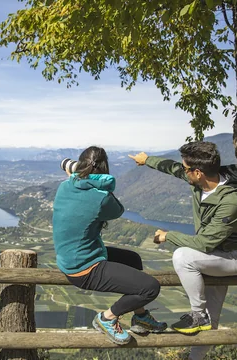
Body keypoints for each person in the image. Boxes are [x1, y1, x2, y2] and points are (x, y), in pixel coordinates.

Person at [129, 141, 237, 360]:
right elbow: (173, 169)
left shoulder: (232, 200)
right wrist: (147, 160)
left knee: (183, 256)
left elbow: (204, 243)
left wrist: (168, 236)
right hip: (212, 256)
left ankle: (197, 314)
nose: (182, 171)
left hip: (233, 258)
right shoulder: (201, 180)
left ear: (198, 172)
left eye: (186, 169)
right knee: (211, 321)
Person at [52, 145, 167, 345]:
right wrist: (102, 184)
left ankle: (140, 316)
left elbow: (79, 187)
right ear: (105, 169)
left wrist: (77, 175)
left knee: (133, 259)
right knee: (150, 288)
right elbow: (118, 210)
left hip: (72, 258)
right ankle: (107, 318)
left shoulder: (65, 186)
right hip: (85, 269)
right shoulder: (101, 198)